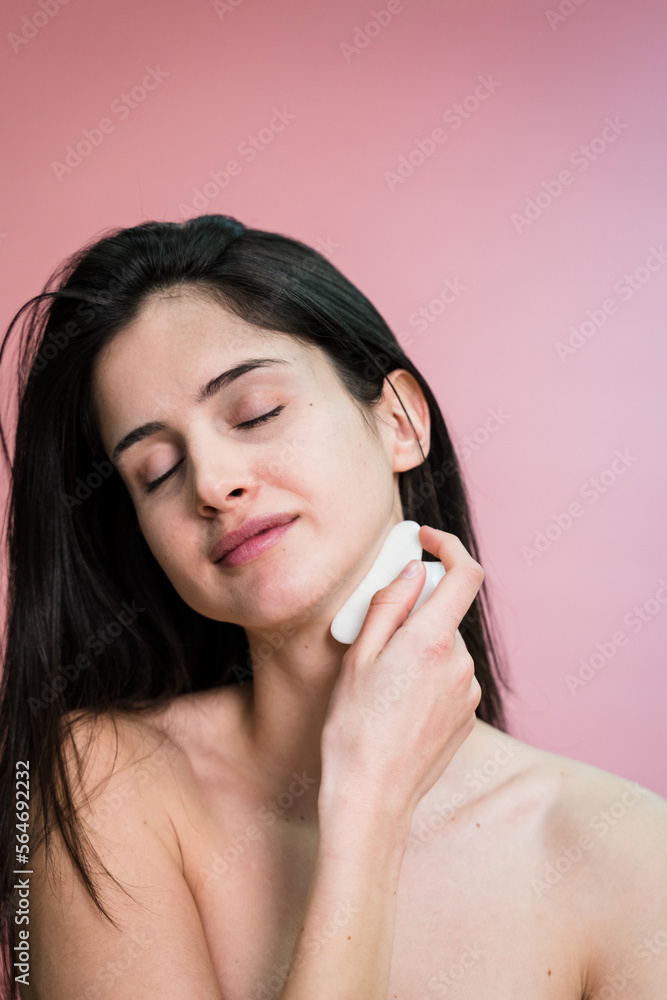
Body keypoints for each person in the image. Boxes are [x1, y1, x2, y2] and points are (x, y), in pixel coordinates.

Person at [0, 215, 664, 1000]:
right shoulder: (94, 779)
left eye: (254, 415)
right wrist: (366, 806)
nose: (213, 483)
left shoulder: (628, 854)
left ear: (399, 421)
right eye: (157, 469)